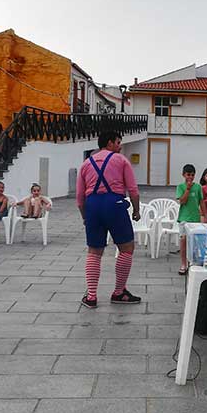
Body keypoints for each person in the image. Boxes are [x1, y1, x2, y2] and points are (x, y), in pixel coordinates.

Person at [77, 131, 141, 308]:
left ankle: (91, 296)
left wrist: (85, 217)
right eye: (118, 142)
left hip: (93, 206)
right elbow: (133, 190)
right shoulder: (121, 161)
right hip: (115, 204)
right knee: (126, 247)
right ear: (110, 142)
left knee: (94, 251)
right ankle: (119, 292)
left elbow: (79, 198)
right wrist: (136, 210)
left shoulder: (86, 164)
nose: (120, 146)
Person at [177, 164, 206, 275]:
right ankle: (183, 264)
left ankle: (193, 263)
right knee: (183, 240)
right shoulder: (180, 187)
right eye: (188, 175)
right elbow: (182, 201)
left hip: (195, 218)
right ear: (184, 175)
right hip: (184, 218)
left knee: (195, 242)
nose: (190, 177)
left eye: (192, 175)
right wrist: (188, 189)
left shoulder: (198, 187)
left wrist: (205, 215)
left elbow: (201, 202)